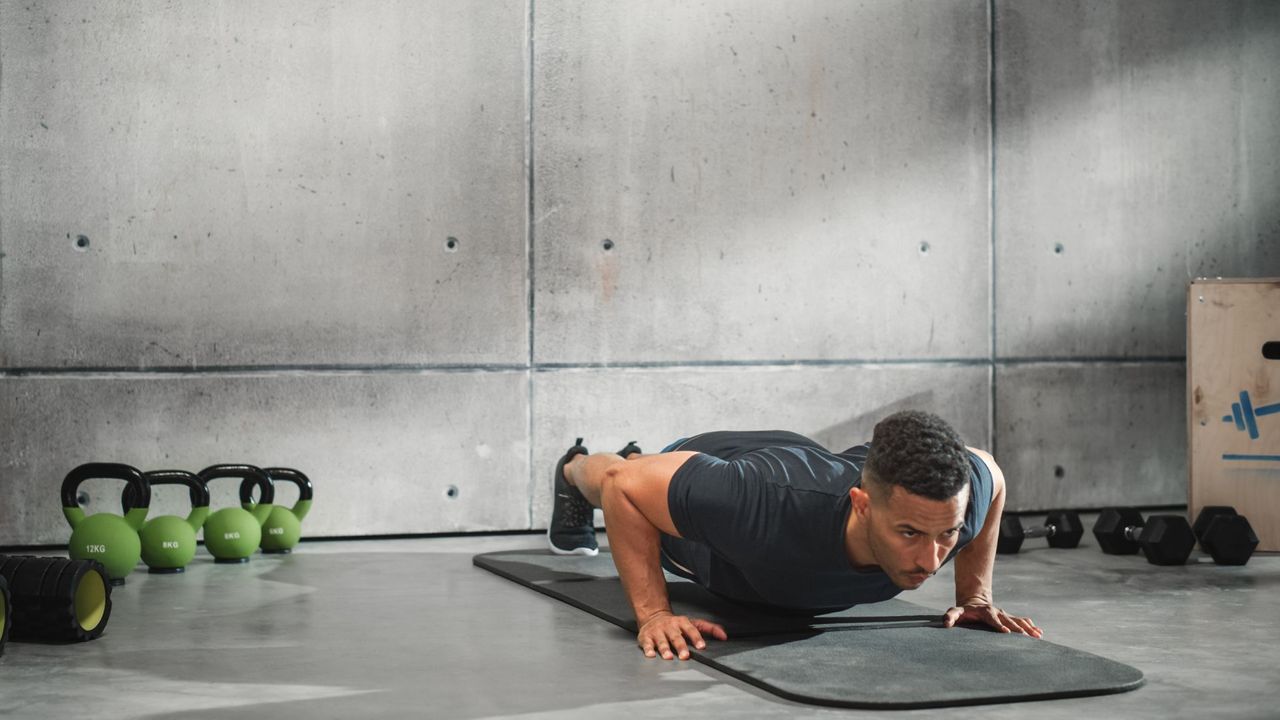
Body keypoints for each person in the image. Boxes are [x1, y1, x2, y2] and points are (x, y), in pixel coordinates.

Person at [547, 410, 1040, 661]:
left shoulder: (957, 500)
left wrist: (975, 595)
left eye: (947, 534)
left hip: (800, 461)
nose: (931, 560)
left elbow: (991, 473)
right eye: (909, 533)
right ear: (863, 505)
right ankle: (572, 468)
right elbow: (621, 491)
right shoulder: (758, 507)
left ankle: (646, 462)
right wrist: (653, 613)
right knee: (622, 475)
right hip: (724, 471)